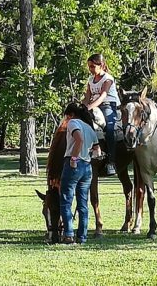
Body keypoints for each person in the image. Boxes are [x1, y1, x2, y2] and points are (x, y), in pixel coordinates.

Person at [60, 103, 101, 244]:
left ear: (70, 114)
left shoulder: (73, 123)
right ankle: (82, 236)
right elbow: (97, 150)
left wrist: (74, 158)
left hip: (74, 165)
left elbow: (79, 139)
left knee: (66, 200)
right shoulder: (89, 127)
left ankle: (69, 234)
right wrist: (88, 155)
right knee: (83, 203)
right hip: (87, 167)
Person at [82, 53, 121, 175]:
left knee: (109, 129)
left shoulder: (107, 79)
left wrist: (89, 107)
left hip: (108, 105)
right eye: (89, 67)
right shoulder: (90, 80)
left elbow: (103, 96)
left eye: (93, 66)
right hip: (94, 106)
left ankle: (111, 161)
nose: (91, 69)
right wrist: (82, 107)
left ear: (101, 65)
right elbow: (87, 96)